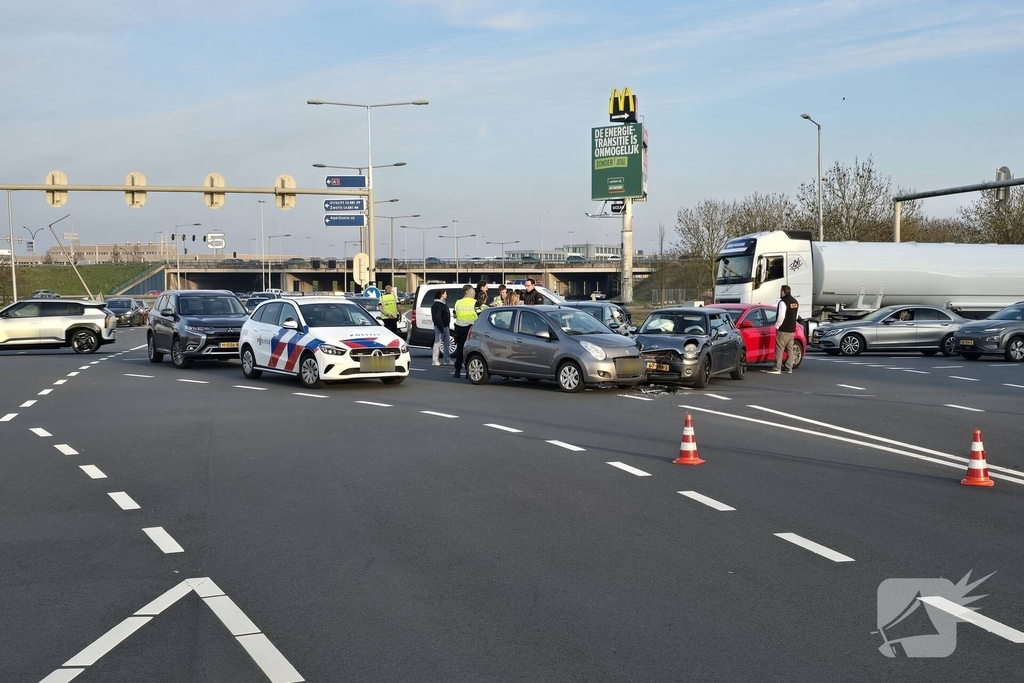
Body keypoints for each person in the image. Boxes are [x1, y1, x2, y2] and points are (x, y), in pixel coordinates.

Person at [765, 285, 800, 374]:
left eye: (780, 291)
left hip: (783, 329)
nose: (780, 293)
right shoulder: (795, 302)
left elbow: (781, 315)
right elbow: (796, 316)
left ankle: (777, 368)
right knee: (789, 349)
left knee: (779, 349)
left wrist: (777, 325)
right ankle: (789, 368)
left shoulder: (783, 302)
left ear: (783, 291)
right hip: (792, 329)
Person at [452, 284, 478, 379]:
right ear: (473, 295)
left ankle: (457, 371)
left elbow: (454, 315)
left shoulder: (458, 302)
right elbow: (479, 315)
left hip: (459, 329)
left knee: (460, 350)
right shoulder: (475, 303)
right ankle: (468, 372)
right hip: (470, 329)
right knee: (470, 351)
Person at [431, 290, 451, 367]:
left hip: (445, 326)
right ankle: (435, 360)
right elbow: (436, 317)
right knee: (437, 343)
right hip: (439, 326)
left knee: (447, 343)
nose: (446, 295)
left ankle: (447, 360)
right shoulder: (436, 305)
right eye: (445, 293)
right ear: (441, 295)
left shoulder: (443, 304)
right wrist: (441, 327)